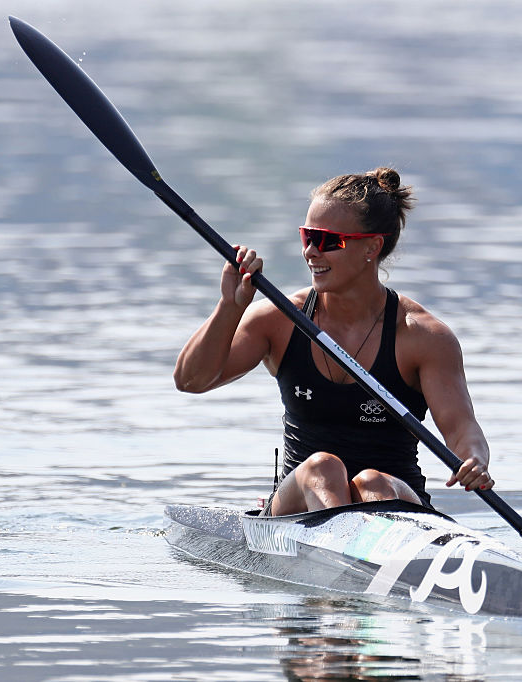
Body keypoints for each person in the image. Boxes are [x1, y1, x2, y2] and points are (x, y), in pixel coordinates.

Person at [174, 167, 493, 515]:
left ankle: (361, 544)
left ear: (372, 247)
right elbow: (190, 381)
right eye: (306, 236)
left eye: (328, 241)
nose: (311, 252)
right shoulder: (279, 320)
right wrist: (229, 308)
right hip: (297, 505)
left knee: (374, 481)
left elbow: (462, 428)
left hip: (395, 503)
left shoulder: (422, 336)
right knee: (322, 468)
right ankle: (340, 539)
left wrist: (473, 459)